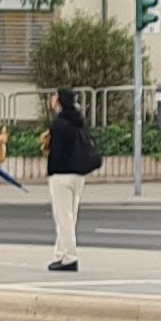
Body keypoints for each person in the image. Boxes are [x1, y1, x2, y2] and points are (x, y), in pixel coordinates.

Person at [43, 86, 100, 272]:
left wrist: (50, 169)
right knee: (70, 215)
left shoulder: (59, 124)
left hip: (61, 174)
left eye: (55, 97)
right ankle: (60, 253)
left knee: (63, 217)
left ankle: (70, 256)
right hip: (78, 174)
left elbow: (56, 151)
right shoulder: (78, 121)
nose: (52, 100)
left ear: (59, 101)